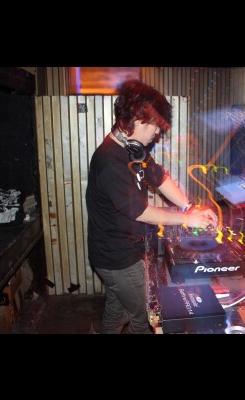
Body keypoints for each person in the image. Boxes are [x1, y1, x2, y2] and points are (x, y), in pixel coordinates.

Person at [86, 80, 218, 334]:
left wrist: (189, 207)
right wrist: (186, 220)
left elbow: (159, 178)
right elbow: (142, 212)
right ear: (138, 119)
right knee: (145, 319)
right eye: (155, 125)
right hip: (117, 257)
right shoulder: (109, 161)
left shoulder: (133, 149)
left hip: (120, 250)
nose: (157, 132)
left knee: (117, 312)